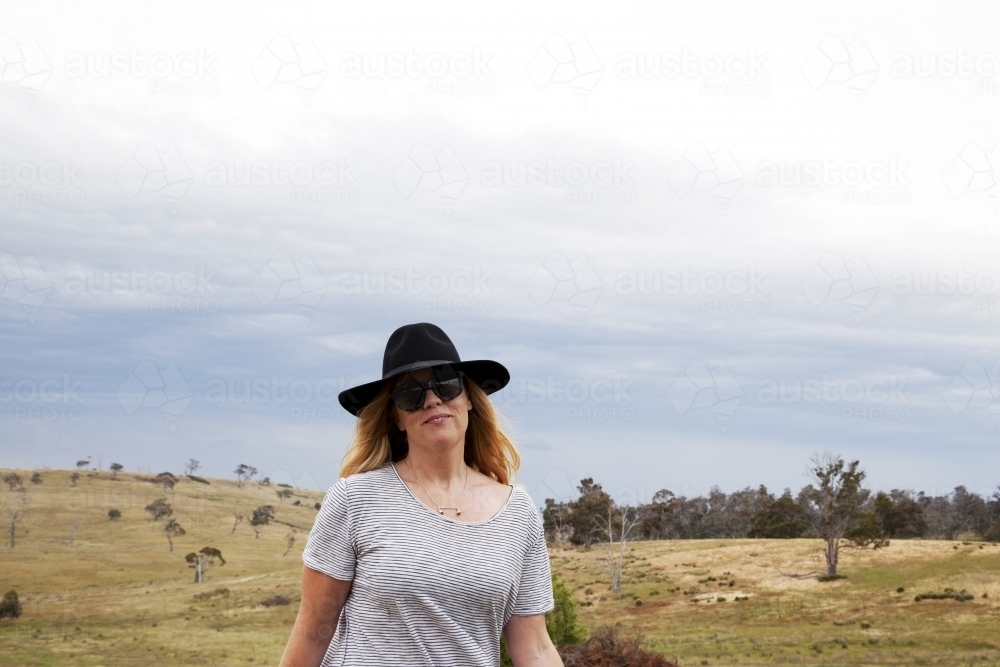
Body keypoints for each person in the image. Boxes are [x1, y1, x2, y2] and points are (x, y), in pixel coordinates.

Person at [279, 323, 563, 667]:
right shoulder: (355, 500)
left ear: (469, 398)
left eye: (445, 383)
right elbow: (312, 632)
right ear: (396, 417)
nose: (432, 399)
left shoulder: (518, 512)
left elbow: (534, 648)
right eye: (410, 395)